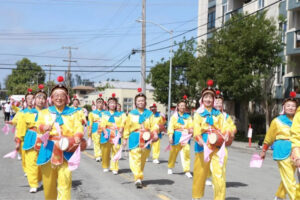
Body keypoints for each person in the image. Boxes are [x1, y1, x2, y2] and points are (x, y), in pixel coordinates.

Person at [36, 76, 85, 200]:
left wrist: (78, 136)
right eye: (56, 95)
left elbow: (79, 127)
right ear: (51, 98)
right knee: (49, 185)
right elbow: (38, 126)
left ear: (67, 98)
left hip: (66, 150)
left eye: (62, 95)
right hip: (48, 150)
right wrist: (43, 127)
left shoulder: (74, 113)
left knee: (65, 183)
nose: (59, 98)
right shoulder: (44, 112)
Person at [192, 80, 233, 200]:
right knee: (200, 174)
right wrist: (199, 139)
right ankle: (197, 196)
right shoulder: (198, 114)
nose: (208, 99)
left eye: (211, 97)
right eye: (206, 97)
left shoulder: (219, 114)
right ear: (202, 99)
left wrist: (226, 134)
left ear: (214, 100)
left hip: (218, 145)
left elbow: (225, 126)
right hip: (203, 145)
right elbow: (196, 129)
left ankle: (219, 198)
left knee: (218, 174)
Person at [260, 91, 298, 200]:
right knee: (290, 178)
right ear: (284, 107)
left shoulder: (298, 121)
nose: (291, 108)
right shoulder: (277, 121)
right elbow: (269, 137)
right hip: (282, 149)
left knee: (288, 176)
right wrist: (264, 150)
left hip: (296, 150)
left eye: (293, 106)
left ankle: (280, 196)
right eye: (288, 106)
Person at [123, 88, 159, 188]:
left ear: (145, 102)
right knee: (135, 158)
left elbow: (154, 125)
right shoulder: (131, 114)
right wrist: (125, 138)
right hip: (134, 137)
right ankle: (138, 178)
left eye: (142, 100)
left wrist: (155, 133)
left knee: (142, 159)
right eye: (138, 101)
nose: (140, 102)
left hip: (146, 138)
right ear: (135, 102)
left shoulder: (150, 114)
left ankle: (139, 175)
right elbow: (127, 126)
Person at [16, 85, 47, 193]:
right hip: (31, 138)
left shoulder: (49, 113)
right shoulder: (25, 113)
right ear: (34, 100)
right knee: (31, 162)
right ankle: (33, 183)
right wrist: (19, 140)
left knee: (42, 162)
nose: (41, 100)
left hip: (44, 139)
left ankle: (39, 179)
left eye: (43, 98)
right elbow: (21, 128)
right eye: (38, 97)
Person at [167, 95, 193, 178]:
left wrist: (190, 130)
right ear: (178, 107)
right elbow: (171, 127)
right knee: (173, 153)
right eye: (181, 105)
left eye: (184, 106)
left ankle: (187, 170)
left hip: (185, 137)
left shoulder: (188, 117)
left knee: (186, 153)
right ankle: (170, 167)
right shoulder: (174, 116)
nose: (182, 107)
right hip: (176, 137)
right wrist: (170, 137)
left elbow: (191, 126)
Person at [101, 93, 126, 174]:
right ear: (108, 104)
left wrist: (121, 130)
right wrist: (105, 131)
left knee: (116, 150)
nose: (112, 104)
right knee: (105, 151)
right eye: (111, 103)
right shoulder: (104, 114)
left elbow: (124, 122)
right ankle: (105, 166)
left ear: (116, 104)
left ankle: (115, 167)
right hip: (106, 134)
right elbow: (102, 124)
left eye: (114, 103)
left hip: (116, 134)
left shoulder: (121, 114)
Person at [14, 88, 35, 177]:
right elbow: (16, 123)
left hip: (36, 137)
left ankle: (36, 175)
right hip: (24, 136)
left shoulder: (39, 111)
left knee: (35, 157)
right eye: (28, 99)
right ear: (26, 101)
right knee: (25, 156)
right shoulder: (21, 112)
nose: (30, 100)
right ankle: (27, 170)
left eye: (32, 98)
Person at [88, 94, 105, 162]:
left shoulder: (106, 112)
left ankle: (102, 154)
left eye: (101, 102)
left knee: (103, 142)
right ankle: (98, 155)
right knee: (96, 142)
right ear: (96, 104)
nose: (100, 104)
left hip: (104, 129)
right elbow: (90, 122)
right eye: (98, 102)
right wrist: (90, 130)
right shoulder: (92, 113)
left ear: (103, 104)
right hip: (95, 128)